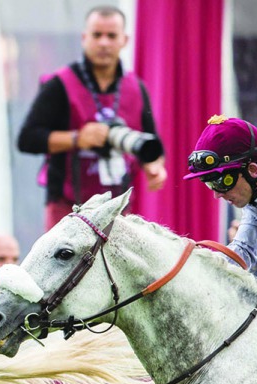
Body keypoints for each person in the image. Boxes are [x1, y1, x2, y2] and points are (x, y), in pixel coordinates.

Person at [18, 5, 167, 229]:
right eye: (97, 35)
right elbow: (27, 139)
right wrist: (77, 138)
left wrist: (155, 167)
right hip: (66, 206)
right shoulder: (60, 83)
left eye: (111, 36)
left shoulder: (135, 87)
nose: (104, 43)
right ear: (84, 38)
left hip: (118, 208)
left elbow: (152, 143)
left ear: (124, 40)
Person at [185, 115, 257, 272]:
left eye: (221, 182)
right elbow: (240, 255)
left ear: (252, 170)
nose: (217, 195)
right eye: (209, 184)